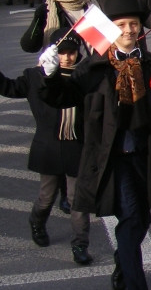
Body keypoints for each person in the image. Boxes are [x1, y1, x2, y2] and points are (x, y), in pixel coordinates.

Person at [38, 0, 151, 290]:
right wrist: (50, 74)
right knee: (132, 218)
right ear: (110, 29)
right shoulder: (95, 68)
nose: (130, 30)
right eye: (121, 25)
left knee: (141, 220)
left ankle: (123, 262)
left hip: (146, 156)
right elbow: (61, 97)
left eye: (134, 24)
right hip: (110, 158)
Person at [2, 30, 92, 264]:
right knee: (46, 196)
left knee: (77, 200)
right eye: (62, 53)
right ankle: (37, 222)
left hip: (77, 146)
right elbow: (9, 88)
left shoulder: (85, 75)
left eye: (71, 53)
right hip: (49, 146)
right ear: (52, 52)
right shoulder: (35, 76)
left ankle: (80, 244)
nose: (67, 58)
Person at [21, 0, 97, 57]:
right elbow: (29, 47)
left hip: (90, 68)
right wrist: (37, 21)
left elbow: (105, 43)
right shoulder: (48, 8)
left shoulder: (92, 5)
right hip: (60, 69)